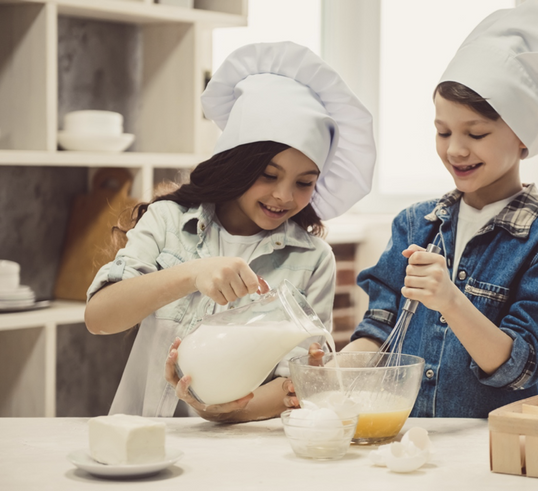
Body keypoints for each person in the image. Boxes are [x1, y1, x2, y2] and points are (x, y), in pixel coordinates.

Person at [85, 41, 376, 422]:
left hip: (240, 453)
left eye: (305, 183)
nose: (283, 196)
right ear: (236, 164)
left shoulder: (311, 259)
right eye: (268, 175)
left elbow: (300, 380)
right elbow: (99, 317)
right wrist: (192, 274)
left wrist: (219, 411)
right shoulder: (171, 222)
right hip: (143, 439)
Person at [339, 0, 538, 418]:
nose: (455, 150)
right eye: (443, 131)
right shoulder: (414, 225)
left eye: (475, 133)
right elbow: (380, 328)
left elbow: (519, 368)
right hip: (412, 442)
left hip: (500, 452)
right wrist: (333, 372)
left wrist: (451, 301)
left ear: (523, 137)